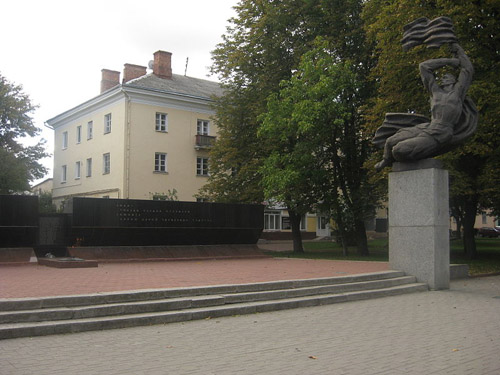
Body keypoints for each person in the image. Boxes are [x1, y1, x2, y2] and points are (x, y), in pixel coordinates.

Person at [375, 43, 474, 171]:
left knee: (398, 151)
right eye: (442, 76)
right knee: (389, 141)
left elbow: (467, 70)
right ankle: (385, 160)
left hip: (442, 132)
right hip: (428, 126)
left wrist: (459, 51)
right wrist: (449, 61)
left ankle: (415, 156)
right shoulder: (435, 92)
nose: (442, 78)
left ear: (453, 81)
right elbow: (424, 67)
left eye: (446, 76)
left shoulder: (457, 93)